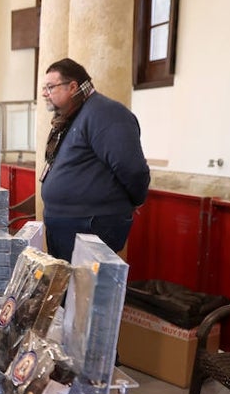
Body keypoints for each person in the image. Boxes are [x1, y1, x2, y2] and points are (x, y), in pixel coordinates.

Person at [38, 57, 150, 262]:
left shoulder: (106, 113)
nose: (45, 93)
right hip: (70, 223)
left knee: (86, 292)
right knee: (67, 291)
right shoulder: (73, 115)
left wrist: (135, 200)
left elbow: (132, 169)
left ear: (72, 87)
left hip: (90, 224)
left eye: (50, 87)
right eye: (44, 88)